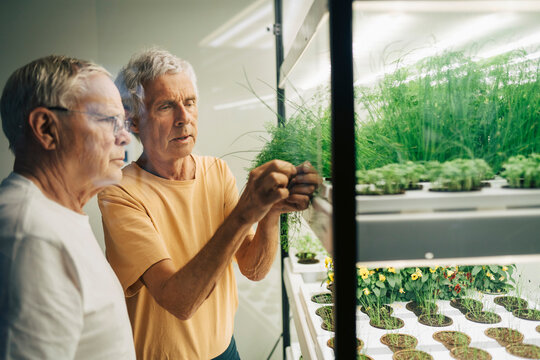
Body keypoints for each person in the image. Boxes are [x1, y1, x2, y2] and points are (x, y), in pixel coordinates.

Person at [97, 48, 319, 359]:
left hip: (226, 351)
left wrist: (271, 211)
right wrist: (244, 213)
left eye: (189, 102)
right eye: (165, 106)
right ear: (133, 122)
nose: (183, 118)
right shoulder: (119, 193)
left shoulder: (216, 171)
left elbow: (253, 268)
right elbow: (179, 302)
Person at [0, 55, 136, 359]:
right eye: (108, 120)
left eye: (124, 123)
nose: (125, 136)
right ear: (46, 128)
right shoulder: (32, 238)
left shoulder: (55, 216)